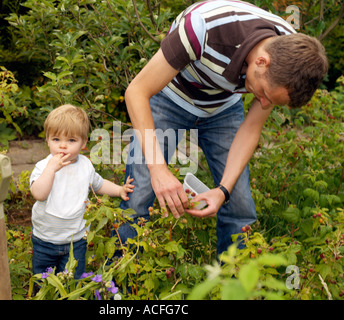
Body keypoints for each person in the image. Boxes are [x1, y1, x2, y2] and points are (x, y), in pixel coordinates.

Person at [118, 0, 328, 255]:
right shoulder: (201, 27)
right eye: (263, 94)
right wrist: (159, 170)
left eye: (270, 102)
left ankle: (233, 285)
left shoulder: (292, 56)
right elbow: (136, 92)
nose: (261, 104)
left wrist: (223, 191)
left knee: (239, 207)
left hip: (223, 108)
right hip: (169, 96)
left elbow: (251, 128)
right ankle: (116, 287)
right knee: (139, 194)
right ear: (262, 61)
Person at [30, 104, 134, 279]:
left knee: (73, 280)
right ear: (47, 140)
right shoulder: (43, 167)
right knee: (43, 282)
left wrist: (119, 190)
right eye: (56, 139)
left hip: (75, 241)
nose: (63, 146)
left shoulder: (85, 165)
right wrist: (51, 170)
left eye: (71, 140)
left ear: (84, 143)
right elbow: (39, 194)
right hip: (45, 240)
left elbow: (98, 185)